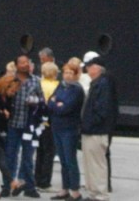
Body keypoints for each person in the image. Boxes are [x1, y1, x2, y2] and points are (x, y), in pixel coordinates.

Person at [6, 55, 44, 198]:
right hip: (13, 123)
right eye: (21, 62)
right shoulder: (10, 79)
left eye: (27, 62)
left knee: (28, 157)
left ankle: (29, 186)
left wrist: (36, 102)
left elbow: (42, 100)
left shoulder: (35, 80)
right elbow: (2, 97)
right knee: (11, 155)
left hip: (29, 125)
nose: (25, 65)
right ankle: (8, 185)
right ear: (16, 65)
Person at [46, 63, 84, 201]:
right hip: (57, 127)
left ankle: (75, 190)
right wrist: (57, 103)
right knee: (62, 160)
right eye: (65, 72)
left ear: (75, 75)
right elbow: (50, 101)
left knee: (70, 160)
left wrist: (57, 103)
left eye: (70, 73)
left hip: (69, 129)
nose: (67, 75)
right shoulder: (61, 85)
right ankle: (65, 188)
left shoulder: (77, 89)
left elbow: (67, 107)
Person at [81, 57, 117, 201]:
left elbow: (102, 109)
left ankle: (100, 195)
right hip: (90, 130)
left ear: (97, 68)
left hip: (97, 131)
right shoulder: (97, 83)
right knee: (90, 164)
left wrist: (90, 123)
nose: (87, 70)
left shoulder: (103, 84)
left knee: (97, 164)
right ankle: (93, 193)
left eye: (89, 67)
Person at [34, 62, 59, 191]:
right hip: (50, 122)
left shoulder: (39, 84)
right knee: (49, 152)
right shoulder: (56, 86)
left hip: (38, 122)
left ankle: (36, 178)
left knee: (40, 151)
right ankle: (45, 182)